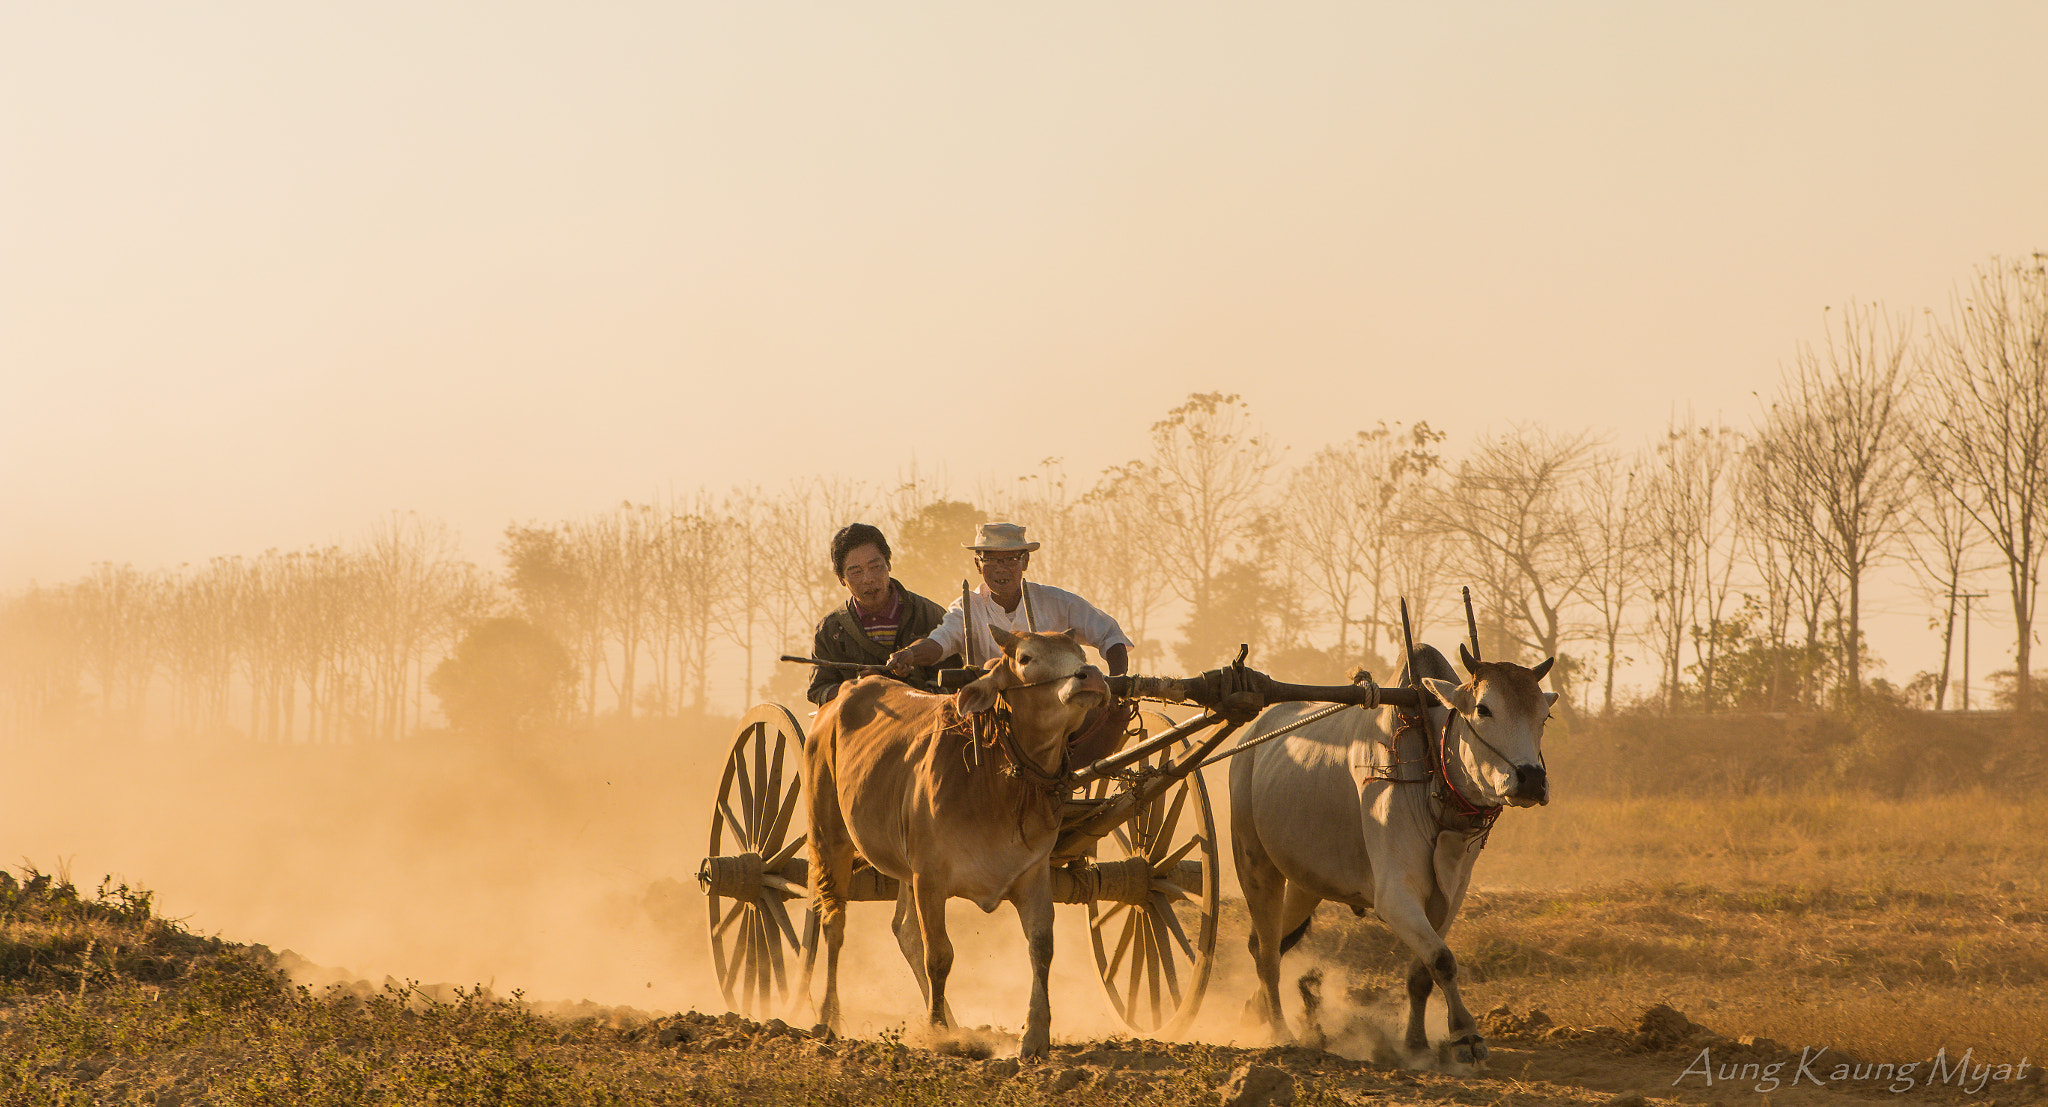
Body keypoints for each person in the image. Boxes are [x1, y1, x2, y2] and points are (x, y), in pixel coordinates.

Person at [886, 522, 1135, 764]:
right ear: (977, 564)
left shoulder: (1055, 601)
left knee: (1110, 712)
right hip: (992, 718)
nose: (1000, 569)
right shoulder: (967, 608)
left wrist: (1117, 682)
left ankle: (1065, 777)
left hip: (1055, 714)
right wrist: (910, 654)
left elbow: (1110, 635)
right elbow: (939, 643)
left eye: (1010, 560)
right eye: (991, 560)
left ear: (1025, 561)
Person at [806, 523, 954, 706]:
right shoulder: (829, 630)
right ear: (841, 579)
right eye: (856, 572)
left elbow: (953, 678)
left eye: (875, 567)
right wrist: (856, 689)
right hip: (859, 729)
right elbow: (819, 689)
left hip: (927, 723)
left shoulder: (930, 615)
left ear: (888, 564)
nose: (868, 579)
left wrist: (917, 692)